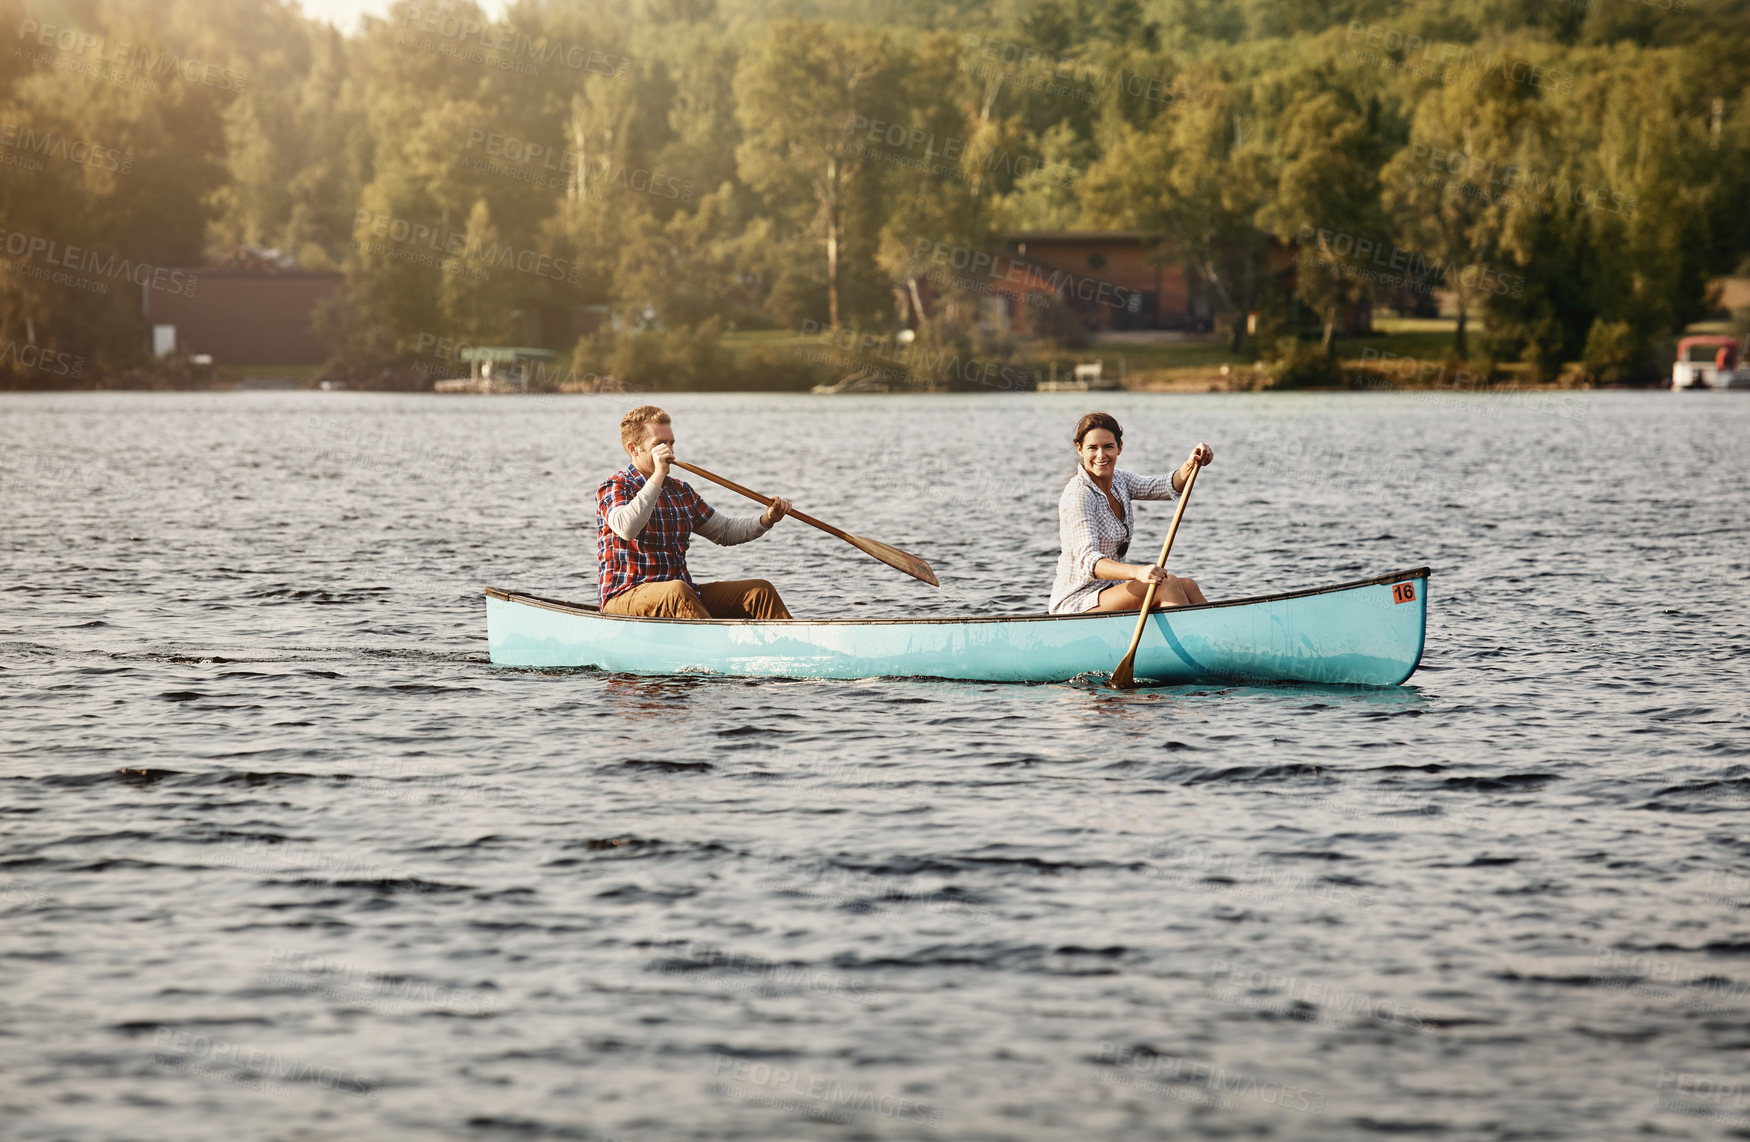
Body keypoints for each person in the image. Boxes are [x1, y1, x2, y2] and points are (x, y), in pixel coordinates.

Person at [596, 405, 793, 619]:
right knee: (677, 592)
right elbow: (626, 528)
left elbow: (725, 532)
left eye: (671, 443)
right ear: (634, 449)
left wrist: (767, 519)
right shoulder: (615, 486)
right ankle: (720, 649)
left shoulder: (681, 491)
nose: (669, 450)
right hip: (625, 596)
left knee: (759, 592)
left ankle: (793, 648)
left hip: (682, 594)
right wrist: (659, 475)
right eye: (659, 444)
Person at [1048, 411, 1214, 615]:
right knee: (1165, 584)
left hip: (1111, 591)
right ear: (1080, 449)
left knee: (1188, 585)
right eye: (1093, 447)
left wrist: (1192, 463)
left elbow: (1167, 486)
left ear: (1119, 447)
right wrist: (1138, 572)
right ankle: (1194, 643)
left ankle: (1222, 638)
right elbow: (1090, 561)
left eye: (1108, 446)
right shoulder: (1078, 494)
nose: (1101, 455)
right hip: (1078, 602)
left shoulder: (1120, 480)